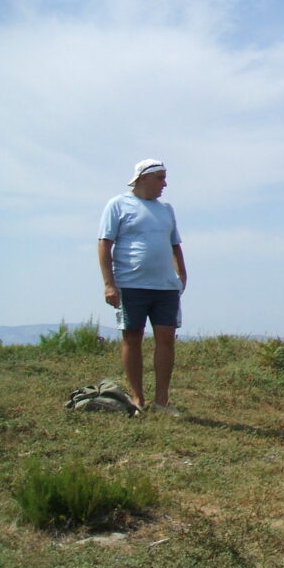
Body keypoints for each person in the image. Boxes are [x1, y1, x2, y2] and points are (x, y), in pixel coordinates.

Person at [98, 159, 187, 415]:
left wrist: (182, 274)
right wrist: (109, 284)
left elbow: (175, 244)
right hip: (131, 284)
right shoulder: (118, 205)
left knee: (166, 339)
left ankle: (162, 401)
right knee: (132, 337)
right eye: (160, 178)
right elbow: (104, 244)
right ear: (143, 178)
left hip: (165, 287)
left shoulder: (166, 210)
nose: (165, 184)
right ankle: (137, 399)